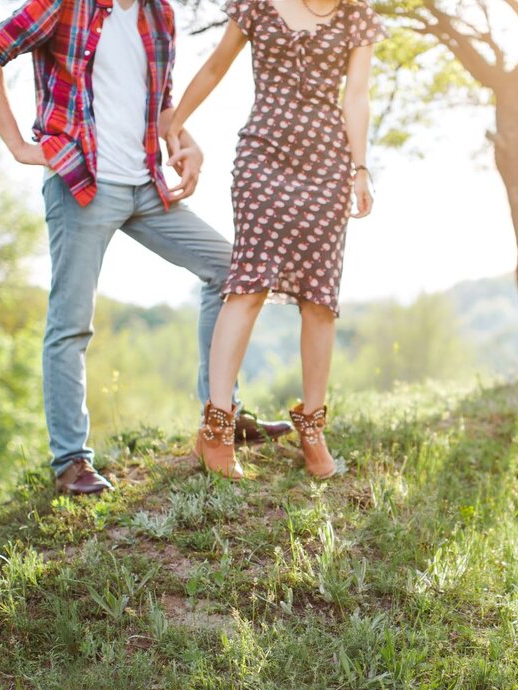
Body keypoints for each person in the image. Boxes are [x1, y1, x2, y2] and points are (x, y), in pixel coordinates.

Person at [0, 0, 292, 496]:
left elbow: (158, 104)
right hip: (82, 183)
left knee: (230, 270)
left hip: (146, 186)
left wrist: (186, 141)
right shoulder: (65, 5)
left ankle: (223, 415)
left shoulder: (158, 13)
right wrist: (18, 145)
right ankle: (72, 462)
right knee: (70, 324)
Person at [164, 0, 386, 480]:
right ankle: (217, 428)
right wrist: (174, 123)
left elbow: (357, 96)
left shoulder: (358, 18)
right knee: (248, 283)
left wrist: (360, 167)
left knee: (320, 297)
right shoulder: (259, 5)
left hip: (327, 163)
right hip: (263, 155)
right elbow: (216, 64)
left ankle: (312, 429)